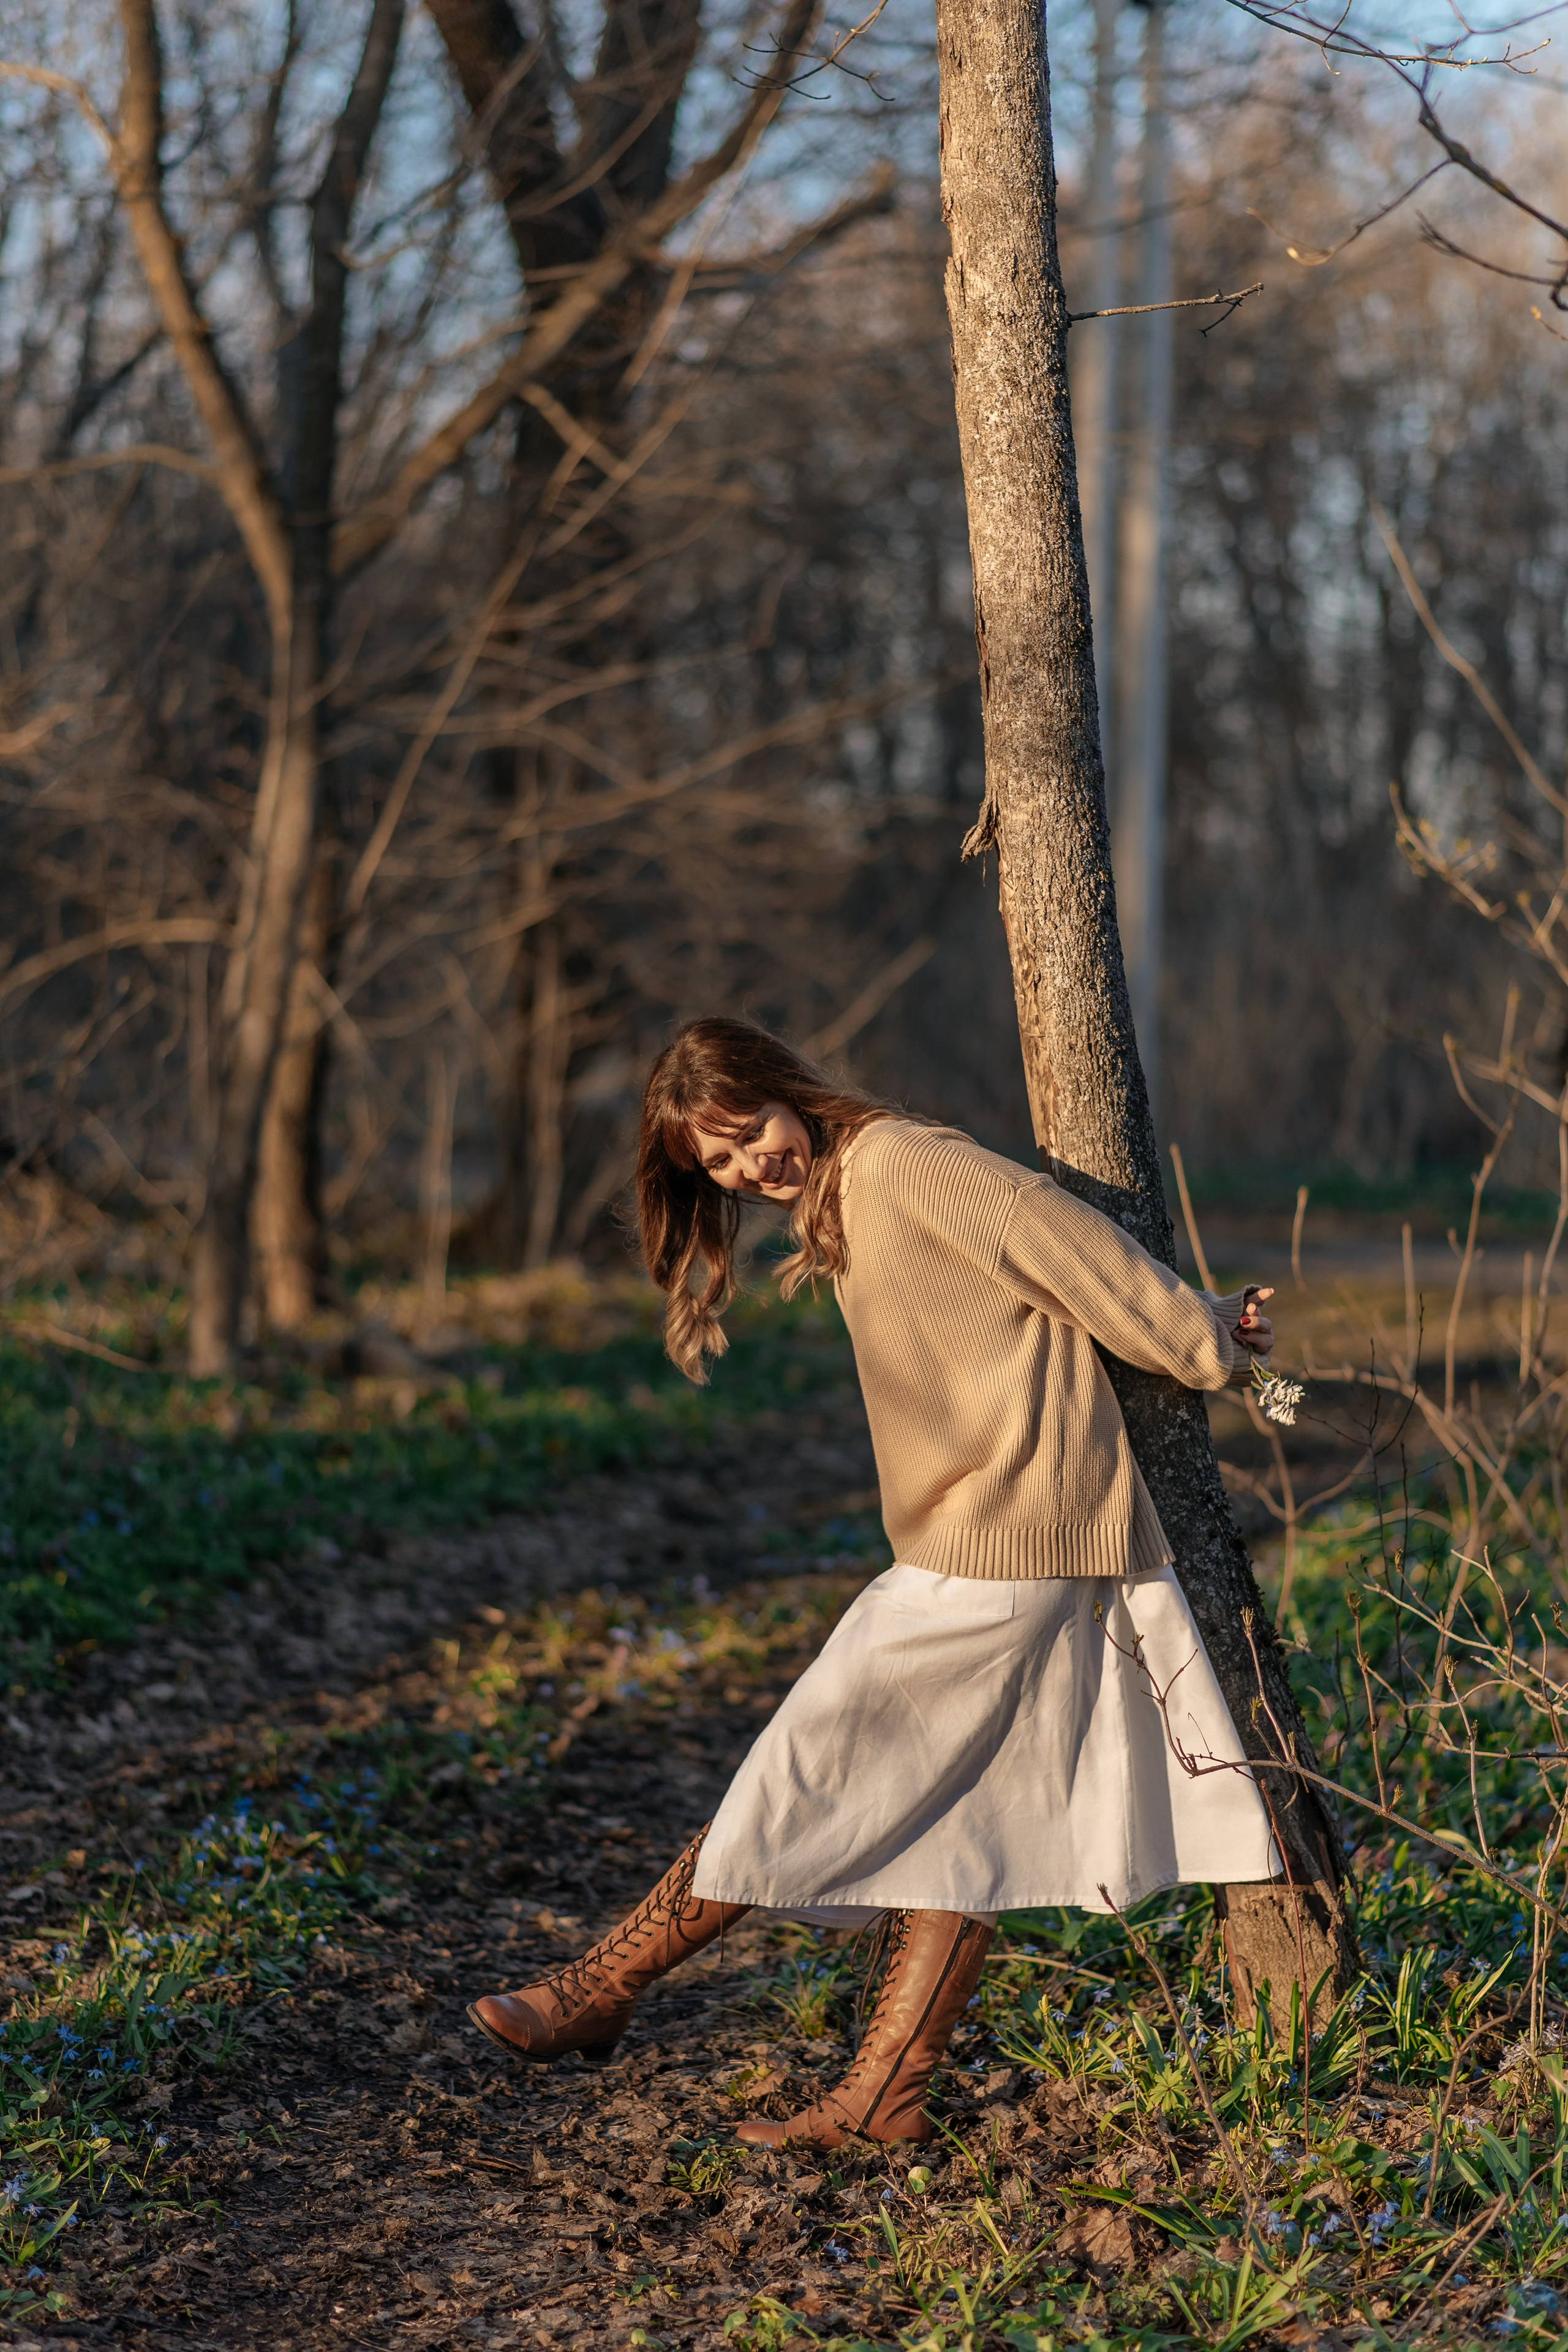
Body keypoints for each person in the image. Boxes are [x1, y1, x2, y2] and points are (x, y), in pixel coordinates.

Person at [469, 1018, 1281, 2149]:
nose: (747, 1167)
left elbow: (1058, 1236)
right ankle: (885, 2096)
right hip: (987, 1538)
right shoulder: (843, 1191)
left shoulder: (903, 1161)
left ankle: (603, 1988)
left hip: (1004, 1536)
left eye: (749, 1131)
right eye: (718, 1161)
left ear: (786, 1091)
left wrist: (1201, 1338)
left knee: (809, 1758)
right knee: (964, 1820)